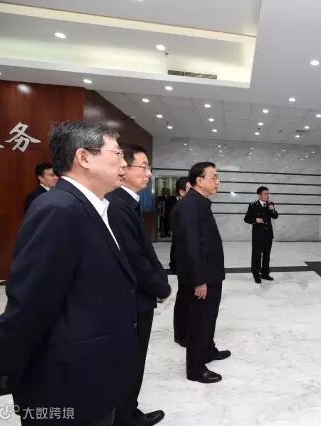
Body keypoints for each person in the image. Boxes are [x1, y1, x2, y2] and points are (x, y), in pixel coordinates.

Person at [0, 121, 137, 425]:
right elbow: (30, 301)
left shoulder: (94, 207)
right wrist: (4, 364)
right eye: (117, 153)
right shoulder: (58, 209)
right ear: (84, 157)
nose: (124, 163)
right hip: (66, 382)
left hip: (93, 373)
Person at [106, 145, 170, 426]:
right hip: (132, 299)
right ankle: (126, 417)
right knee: (130, 361)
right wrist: (160, 287)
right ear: (123, 169)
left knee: (132, 360)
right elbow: (134, 258)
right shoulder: (117, 206)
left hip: (138, 295)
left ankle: (127, 411)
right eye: (143, 166)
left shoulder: (126, 202)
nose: (148, 173)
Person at [171, 162, 230, 383]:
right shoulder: (189, 206)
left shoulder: (200, 202)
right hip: (201, 277)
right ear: (199, 180)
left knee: (209, 317)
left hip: (210, 273)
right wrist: (198, 280)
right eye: (214, 177)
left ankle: (207, 351)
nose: (218, 182)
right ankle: (195, 369)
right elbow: (190, 246)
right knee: (199, 321)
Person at [170, 177, 191, 347]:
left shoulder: (186, 206)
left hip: (186, 260)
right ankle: (181, 334)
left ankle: (185, 330)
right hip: (183, 260)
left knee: (186, 297)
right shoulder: (179, 209)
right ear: (182, 192)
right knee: (183, 298)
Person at [244, 186, 278, 283]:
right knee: (257, 256)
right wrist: (255, 220)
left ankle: (265, 273)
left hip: (268, 235)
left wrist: (272, 210)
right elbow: (246, 219)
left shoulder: (270, 204)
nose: (267, 196)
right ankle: (256, 274)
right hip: (258, 236)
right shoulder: (253, 205)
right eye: (265, 194)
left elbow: (275, 216)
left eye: (268, 194)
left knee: (267, 255)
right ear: (259, 195)